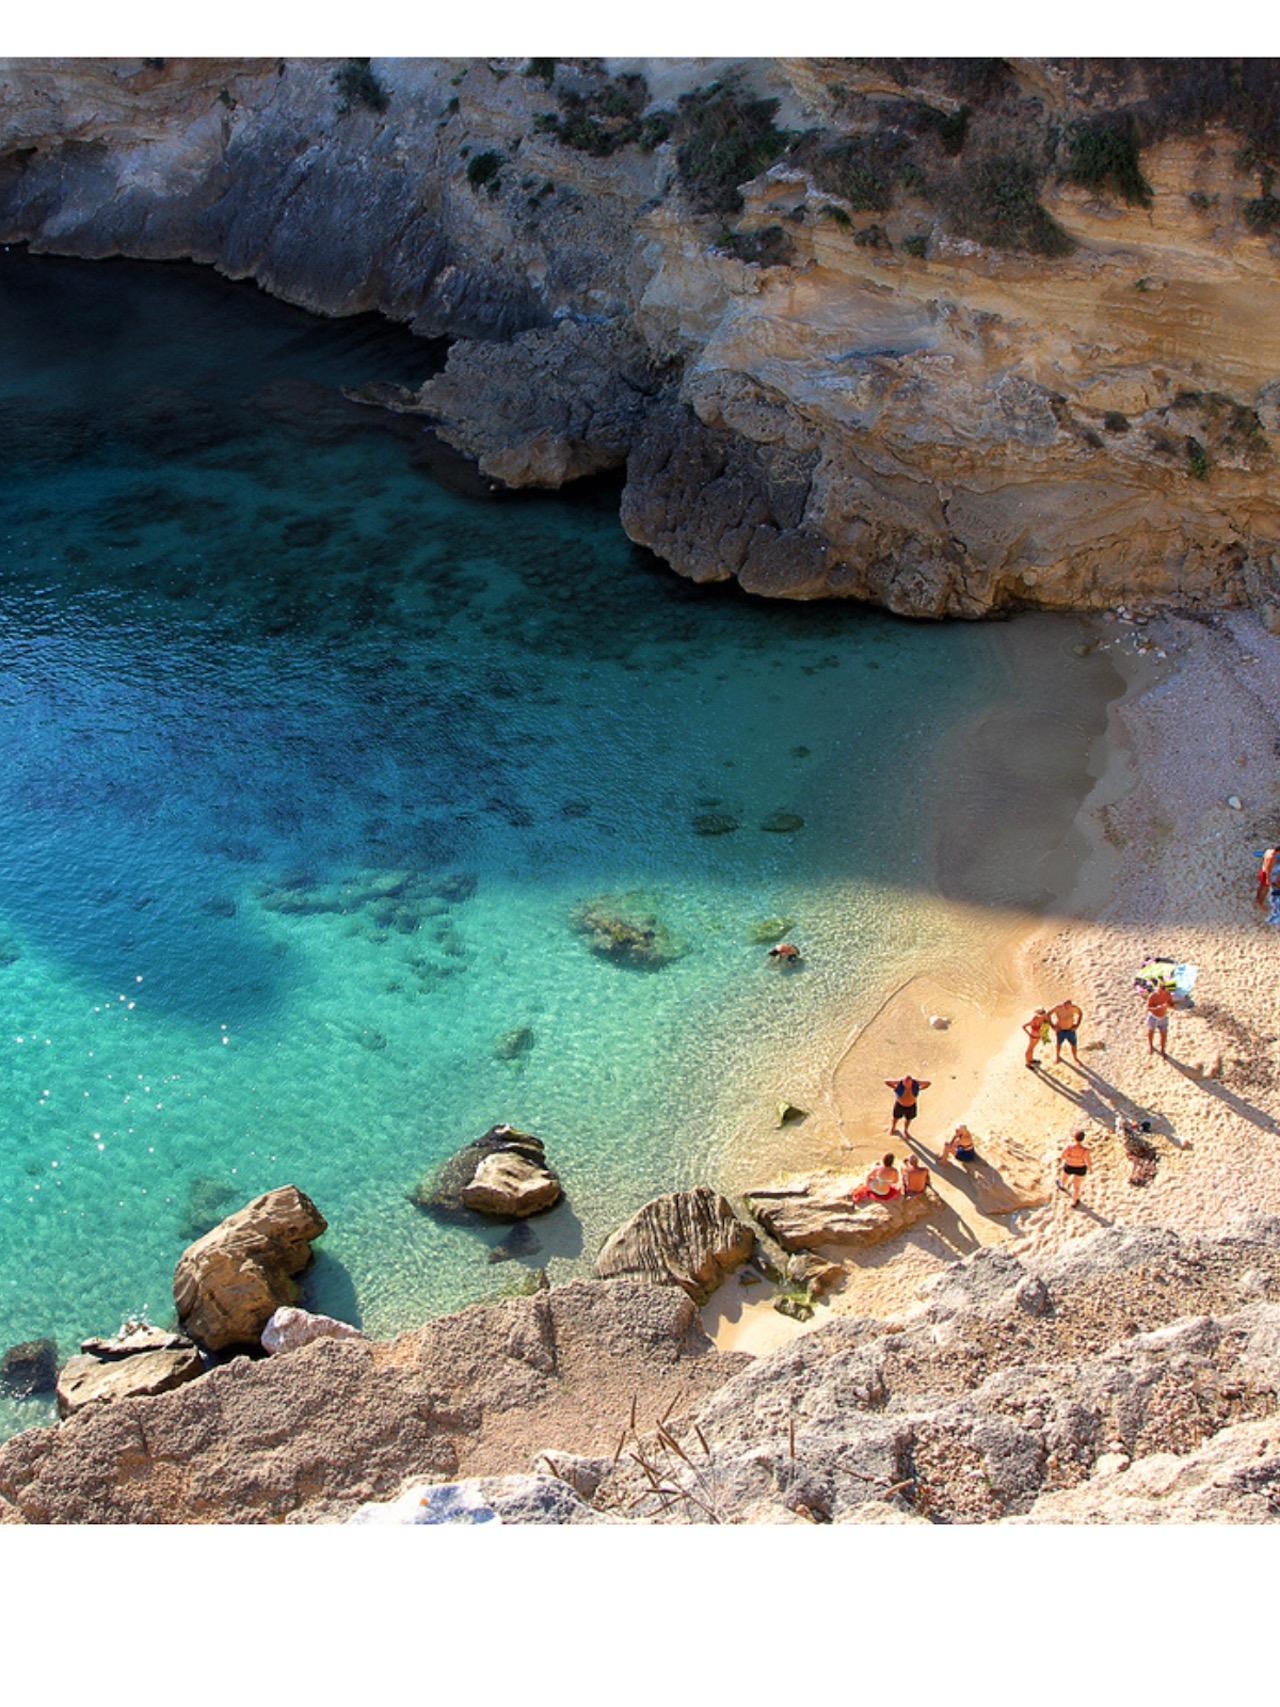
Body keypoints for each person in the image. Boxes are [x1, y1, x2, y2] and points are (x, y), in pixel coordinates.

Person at [885, 1074, 930, 1138]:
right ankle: (893, 1128)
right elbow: (886, 1081)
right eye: (905, 1083)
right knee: (896, 1117)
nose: (907, 1085)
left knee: (908, 1119)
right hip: (900, 1104)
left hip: (911, 1105)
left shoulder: (915, 1083)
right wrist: (894, 1087)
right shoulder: (900, 1083)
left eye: (909, 1083)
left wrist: (920, 1088)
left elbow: (928, 1083)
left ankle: (905, 1130)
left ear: (911, 1082)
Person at [1058, 1130, 1092, 1208]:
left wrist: (1070, 1158)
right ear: (1083, 1139)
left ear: (1074, 1138)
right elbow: (1088, 1161)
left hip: (1070, 1165)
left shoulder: (1069, 1147)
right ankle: (1073, 1202)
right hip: (1080, 1168)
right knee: (1077, 1187)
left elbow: (1062, 1156)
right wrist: (1090, 1169)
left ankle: (1062, 1186)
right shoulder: (1086, 1150)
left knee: (1064, 1177)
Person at [1049, 998, 1084, 1066]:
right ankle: (1057, 1056)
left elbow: (1080, 1013)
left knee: (1073, 1044)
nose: (1066, 1008)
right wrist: (1053, 1026)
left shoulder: (1074, 1008)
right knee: (1059, 1044)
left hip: (1070, 1030)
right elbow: (1048, 1015)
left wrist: (1077, 1025)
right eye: (1065, 1006)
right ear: (1063, 1004)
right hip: (1060, 1030)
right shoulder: (1058, 1008)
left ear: (1071, 1005)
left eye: (1068, 1006)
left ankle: (1075, 1057)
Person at [1146, 983, 1175, 1057]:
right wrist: (1157, 1008)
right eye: (1161, 987)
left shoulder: (1168, 995)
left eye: (1164, 988)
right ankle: (1151, 1046)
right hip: (1153, 1017)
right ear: (1158, 987)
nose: (1163, 989)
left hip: (1163, 1017)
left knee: (1164, 1034)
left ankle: (1162, 1050)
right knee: (1151, 1032)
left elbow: (1172, 1005)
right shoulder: (1153, 996)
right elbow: (1148, 1008)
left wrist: (1168, 1006)